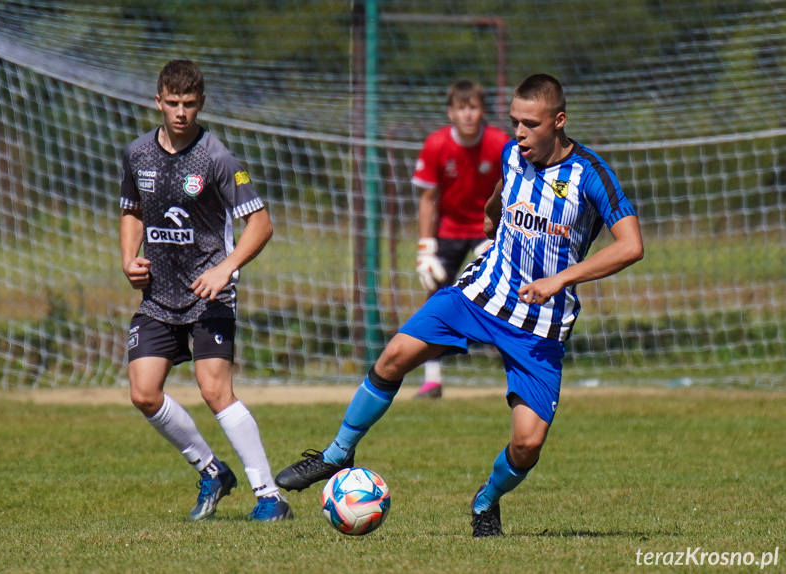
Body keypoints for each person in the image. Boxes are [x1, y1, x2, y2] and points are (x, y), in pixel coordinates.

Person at [274, 74, 643, 537]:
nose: (519, 133)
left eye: (530, 123)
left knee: (527, 444)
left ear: (559, 121)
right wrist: (492, 225)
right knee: (393, 356)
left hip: (539, 324)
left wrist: (560, 280)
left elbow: (631, 245)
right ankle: (335, 455)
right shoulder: (513, 156)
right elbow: (497, 201)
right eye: (514, 122)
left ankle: (486, 501)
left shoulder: (591, 174)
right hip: (481, 295)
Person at [119, 59, 292, 522]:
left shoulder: (218, 158)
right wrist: (127, 258)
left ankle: (270, 496)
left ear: (201, 104)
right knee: (143, 393)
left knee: (215, 390)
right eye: (172, 103)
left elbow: (261, 224)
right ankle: (211, 470)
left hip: (209, 297)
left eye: (189, 104)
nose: (180, 113)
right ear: (158, 101)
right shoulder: (137, 154)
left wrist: (226, 269)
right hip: (158, 297)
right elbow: (131, 208)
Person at [412, 80, 511, 399]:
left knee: (504, 292)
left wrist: (501, 231)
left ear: (482, 111)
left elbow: (512, 189)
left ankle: (516, 369)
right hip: (449, 231)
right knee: (434, 297)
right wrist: (425, 248)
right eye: (461, 108)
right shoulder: (436, 144)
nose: (468, 114)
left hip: (487, 229)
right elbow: (428, 198)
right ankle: (432, 379)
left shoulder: (499, 143)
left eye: (474, 107)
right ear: (450, 112)